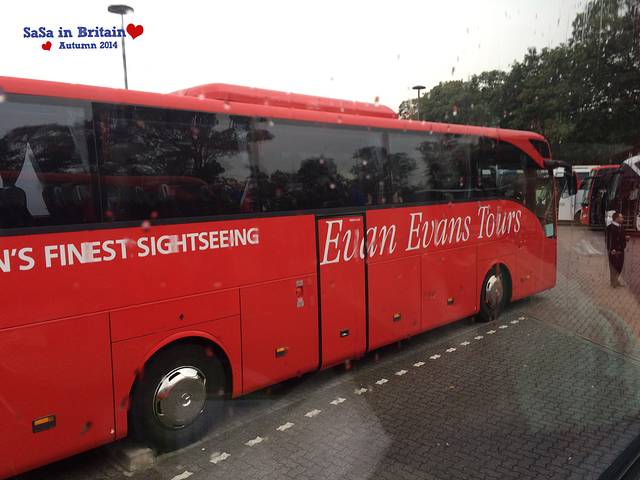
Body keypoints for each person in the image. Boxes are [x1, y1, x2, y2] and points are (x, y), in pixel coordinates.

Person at [605, 212, 629, 287]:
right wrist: (611, 249)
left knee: (619, 267)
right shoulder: (609, 228)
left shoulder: (621, 227)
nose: (622, 219)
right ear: (616, 218)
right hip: (613, 251)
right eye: (621, 217)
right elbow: (607, 240)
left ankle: (616, 280)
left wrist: (626, 238)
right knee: (613, 267)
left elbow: (622, 237)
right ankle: (613, 282)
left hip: (621, 250)